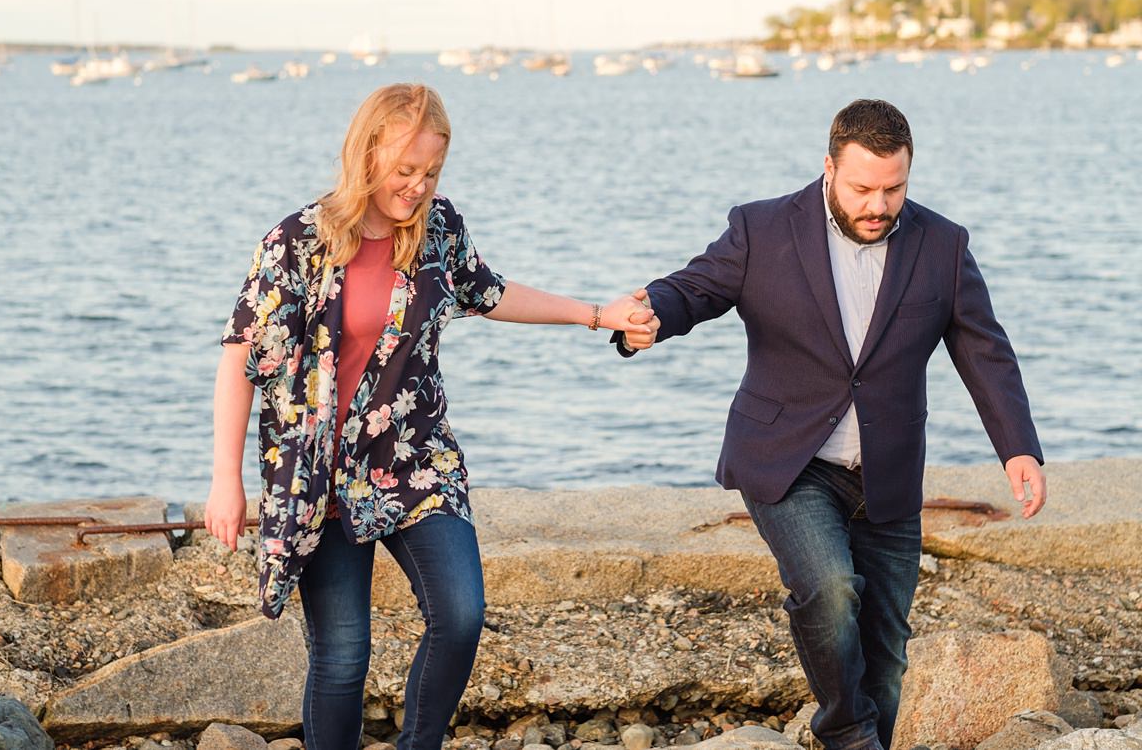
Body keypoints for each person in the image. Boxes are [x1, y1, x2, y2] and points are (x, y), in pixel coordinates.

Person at [204, 83, 655, 750]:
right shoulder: (297, 242)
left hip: (416, 460)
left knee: (461, 613)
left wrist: (596, 314)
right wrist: (225, 480)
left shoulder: (439, 229)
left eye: (431, 172)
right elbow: (240, 361)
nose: (416, 187)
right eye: (404, 170)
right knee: (343, 655)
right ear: (366, 154)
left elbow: (490, 292)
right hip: (319, 476)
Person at [615, 99, 1046, 750]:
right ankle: (844, 732)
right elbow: (694, 289)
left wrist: (1018, 449)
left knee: (887, 653)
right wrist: (649, 318)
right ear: (828, 169)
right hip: (786, 461)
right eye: (862, 188)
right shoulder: (762, 228)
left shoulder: (943, 245)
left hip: (888, 477)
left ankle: (859, 734)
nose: (878, 204)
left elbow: (984, 348)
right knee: (830, 588)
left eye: (894, 189)